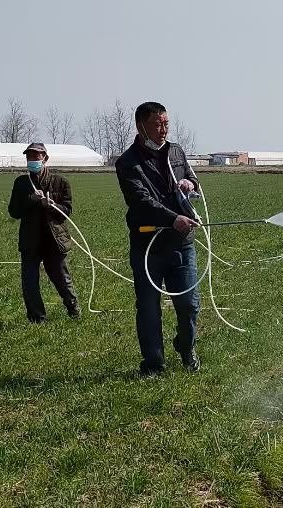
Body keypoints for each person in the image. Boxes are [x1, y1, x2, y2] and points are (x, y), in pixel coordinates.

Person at [115, 102, 202, 377]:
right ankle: (153, 364)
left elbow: (191, 179)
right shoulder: (127, 163)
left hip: (182, 244)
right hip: (148, 247)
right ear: (141, 126)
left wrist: (191, 184)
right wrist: (172, 219)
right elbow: (141, 201)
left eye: (166, 123)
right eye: (157, 124)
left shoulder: (176, 152)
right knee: (149, 309)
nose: (163, 129)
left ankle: (186, 347)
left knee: (189, 304)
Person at [7, 142, 80, 323]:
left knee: (62, 280)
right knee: (29, 283)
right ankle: (38, 319)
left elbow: (67, 211)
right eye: (29, 156)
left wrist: (53, 206)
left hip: (54, 240)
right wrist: (31, 200)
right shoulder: (21, 183)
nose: (32, 160)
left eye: (36, 156)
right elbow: (14, 212)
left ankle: (73, 309)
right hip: (30, 241)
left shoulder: (60, 182)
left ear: (45, 158)